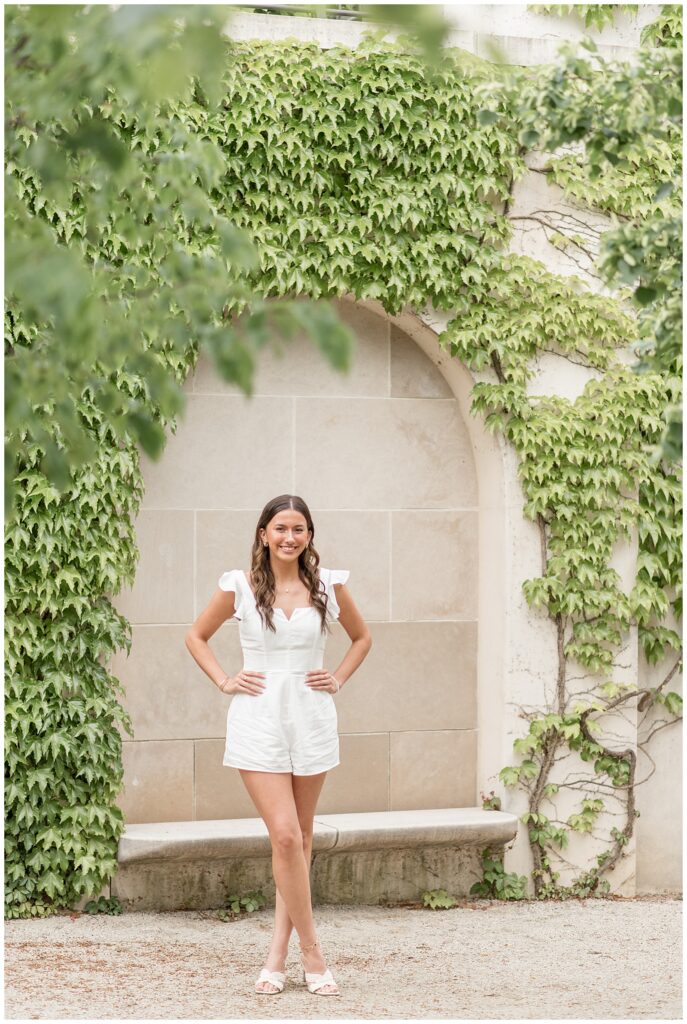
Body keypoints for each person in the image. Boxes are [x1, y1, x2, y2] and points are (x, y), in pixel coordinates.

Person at [185, 494, 372, 996]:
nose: (290, 537)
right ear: (264, 533)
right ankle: (313, 953)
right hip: (258, 718)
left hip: (310, 718)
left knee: (302, 842)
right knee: (286, 837)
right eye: (280, 528)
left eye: (299, 529)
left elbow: (361, 638)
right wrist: (226, 680)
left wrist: (337, 677)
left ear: (310, 535)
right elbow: (196, 636)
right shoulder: (240, 587)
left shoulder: (328, 586)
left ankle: (276, 956)